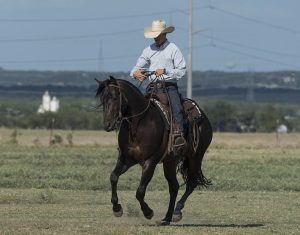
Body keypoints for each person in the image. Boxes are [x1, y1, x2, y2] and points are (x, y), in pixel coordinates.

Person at [130, 19, 187, 154]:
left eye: (157, 34)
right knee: (138, 109)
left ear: (163, 34)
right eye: (154, 35)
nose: (155, 37)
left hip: (169, 87)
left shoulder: (173, 48)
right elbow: (136, 68)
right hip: (152, 87)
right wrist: (136, 73)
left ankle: (179, 136)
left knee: (177, 109)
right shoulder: (148, 50)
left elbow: (182, 70)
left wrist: (166, 71)